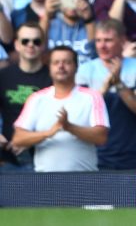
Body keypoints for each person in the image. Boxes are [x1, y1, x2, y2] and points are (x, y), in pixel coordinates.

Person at [12, 45, 108, 172]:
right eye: (56, 62)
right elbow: (18, 139)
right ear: (49, 67)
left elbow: (101, 137)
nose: (61, 66)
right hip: (45, 180)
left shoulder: (92, 96)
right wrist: (48, 133)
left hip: (85, 180)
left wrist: (69, 127)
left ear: (76, 66)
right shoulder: (36, 98)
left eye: (67, 62)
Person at [76, 19, 136, 170]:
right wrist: (105, 87)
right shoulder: (85, 70)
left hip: (132, 154)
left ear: (123, 41)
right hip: (95, 155)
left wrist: (118, 84)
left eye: (108, 40)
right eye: (98, 40)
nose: (102, 46)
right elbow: (81, 113)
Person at [0, 23, 52, 168]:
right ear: (16, 45)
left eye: (36, 41)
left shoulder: (54, 78)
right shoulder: (3, 76)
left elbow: (60, 118)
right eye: (25, 41)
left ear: (43, 45)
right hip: (8, 156)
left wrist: (31, 140)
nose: (31, 45)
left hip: (44, 155)